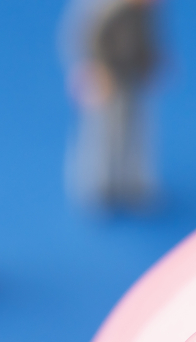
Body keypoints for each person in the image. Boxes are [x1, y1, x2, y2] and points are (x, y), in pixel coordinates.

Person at [61, 0, 163, 210]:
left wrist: (149, 64)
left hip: (131, 78)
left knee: (133, 130)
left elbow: (146, 40)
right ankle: (100, 185)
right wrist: (99, 70)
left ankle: (131, 182)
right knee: (106, 132)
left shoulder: (144, 13)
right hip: (109, 80)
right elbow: (91, 40)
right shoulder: (109, 11)